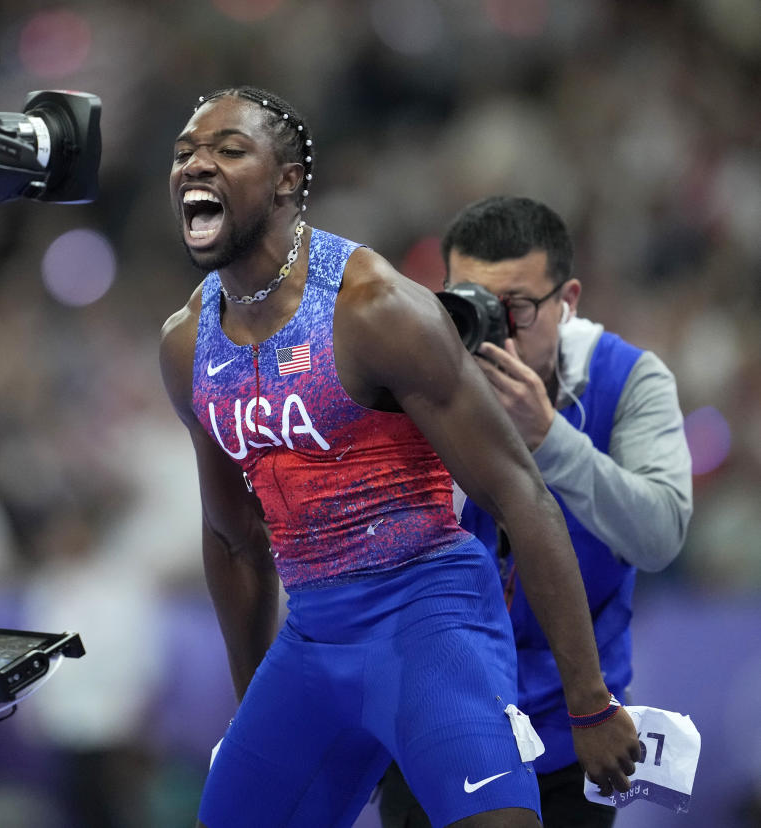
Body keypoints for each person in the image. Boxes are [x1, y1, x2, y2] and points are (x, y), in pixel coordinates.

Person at [158, 86, 641, 828]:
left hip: (429, 623)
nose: (197, 166)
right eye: (186, 152)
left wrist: (590, 702)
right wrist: (257, 706)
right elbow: (232, 538)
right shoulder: (187, 343)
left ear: (287, 180)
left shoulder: (374, 308)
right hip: (313, 636)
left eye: (228, 150)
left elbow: (522, 496)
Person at [377, 195, 693, 827]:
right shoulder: (409, 385)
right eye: (468, 302)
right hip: (433, 728)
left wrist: (551, 438)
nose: (496, 326)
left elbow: (660, 536)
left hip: (576, 739)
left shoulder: (628, 380)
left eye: (516, 306)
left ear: (567, 299)